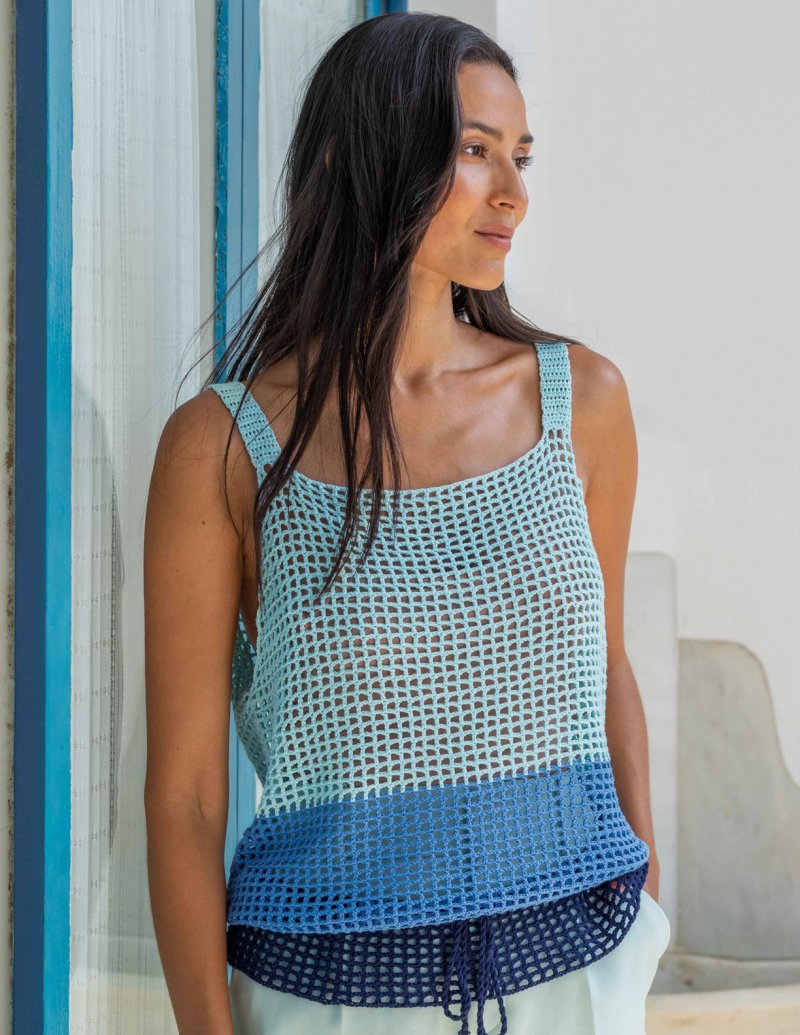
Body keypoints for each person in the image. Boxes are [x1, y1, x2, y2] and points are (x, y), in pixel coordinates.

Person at [143, 12, 670, 1035]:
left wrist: (644, 911)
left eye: (520, 156)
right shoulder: (222, 447)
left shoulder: (582, 402)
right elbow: (188, 797)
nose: (514, 192)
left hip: (578, 973)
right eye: (474, 151)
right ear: (353, 157)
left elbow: (605, 666)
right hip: (323, 994)